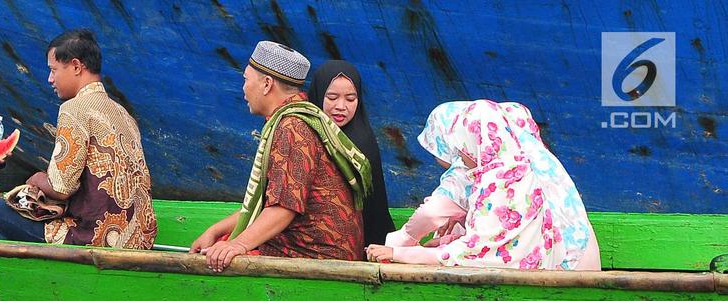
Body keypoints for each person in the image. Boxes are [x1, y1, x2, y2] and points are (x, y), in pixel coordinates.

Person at [190, 41, 372, 272]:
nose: (244, 89)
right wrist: (215, 230)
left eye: (246, 80)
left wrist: (238, 244)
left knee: (220, 258)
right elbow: (266, 205)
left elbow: (284, 209)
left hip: (316, 256)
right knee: (220, 243)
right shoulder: (300, 118)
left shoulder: (292, 128)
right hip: (321, 248)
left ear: (267, 84)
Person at [0, 29, 157, 249]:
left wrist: (36, 178)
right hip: (140, 237)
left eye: (53, 70)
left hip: (98, 235)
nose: (50, 79)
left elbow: (61, 188)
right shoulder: (123, 113)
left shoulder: (74, 108)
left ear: (76, 67)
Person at [368, 100, 600, 270]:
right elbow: (498, 236)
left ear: (475, 140)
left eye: (461, 142)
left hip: (560, 271)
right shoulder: (527, 160)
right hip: (577, 255)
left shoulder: (500, 180)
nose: (459, 151)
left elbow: (476, 250)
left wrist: (399, 251)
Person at [309, 60, 395, 246]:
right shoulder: (304, 133)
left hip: (356, 241)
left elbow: (374, 210)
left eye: (350, 99)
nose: (341, 106)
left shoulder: (363, 141)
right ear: (318, 94)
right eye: (332, 97)